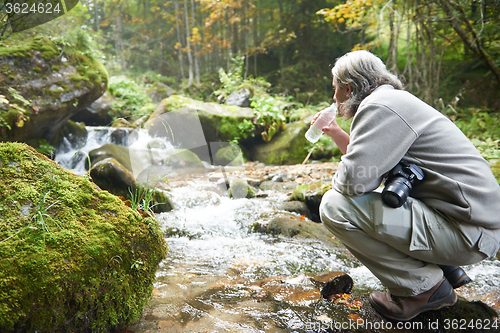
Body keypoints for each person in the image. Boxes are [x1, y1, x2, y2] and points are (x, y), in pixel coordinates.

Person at [313, 50, 500, 321]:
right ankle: (437, 272)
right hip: (475, 226)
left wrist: (347, 173)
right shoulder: (393, 101)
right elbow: (370, 167)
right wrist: (339, 134)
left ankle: (423, 289)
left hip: (469, 233)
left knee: (334, 205)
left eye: (335, 89)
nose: (333, 97)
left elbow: (352, 183)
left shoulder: (379, 107)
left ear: (348, 87)